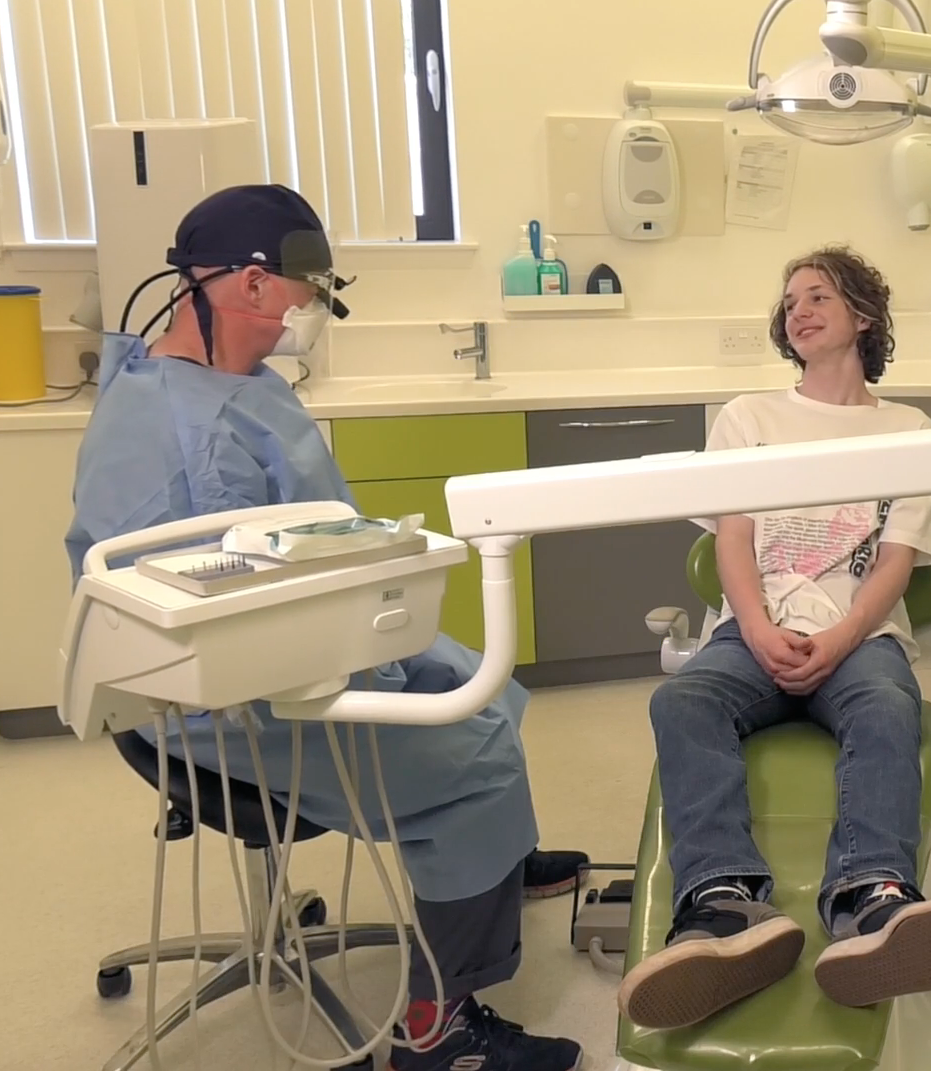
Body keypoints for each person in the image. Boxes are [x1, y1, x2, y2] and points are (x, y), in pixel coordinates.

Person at [65, 185, 587, 1071]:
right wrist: (380, 673)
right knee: (478, 756)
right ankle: (437, 1029)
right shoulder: (196, 433)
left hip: (270, 642)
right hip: (229, 695)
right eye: (305, 294)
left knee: (489, 686)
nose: (309, 314)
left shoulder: (194, 375)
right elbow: (248, 620)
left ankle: (489, 865)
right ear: (254, 287)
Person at [615, 246, 931, 1031]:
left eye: (819, 296)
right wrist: (752, 627)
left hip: (859, 638)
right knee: (683, 702)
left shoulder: (908, 428)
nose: (799, 310)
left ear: (863, 315)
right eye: (790, 302)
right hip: (753, 633)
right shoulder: (749, 417)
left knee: (891, 710)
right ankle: (721, 906)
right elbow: (732, 540)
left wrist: (848, 634)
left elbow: (895, 561)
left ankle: (874, 903)